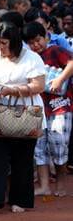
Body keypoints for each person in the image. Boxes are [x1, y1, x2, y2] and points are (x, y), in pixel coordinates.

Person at [0, 22, 46, 213]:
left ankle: (21, 200)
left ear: (14, 41)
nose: (1, 47)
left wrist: (13, 90)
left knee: (22, 157)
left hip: (25, 110)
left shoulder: (31, 58)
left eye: (4, 43)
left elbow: (39, 85)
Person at [22, 22, 73, 197]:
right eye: (32, 43)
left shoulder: (55, 51)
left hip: (60, 106)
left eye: (38, 41)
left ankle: (60, 182)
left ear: (46, 37)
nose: (36, 45)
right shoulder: (28, 58)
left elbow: (72, 62)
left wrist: (60, 79)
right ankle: (44, 185)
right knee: (39, 146)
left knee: (58, 144)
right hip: (37, 106)